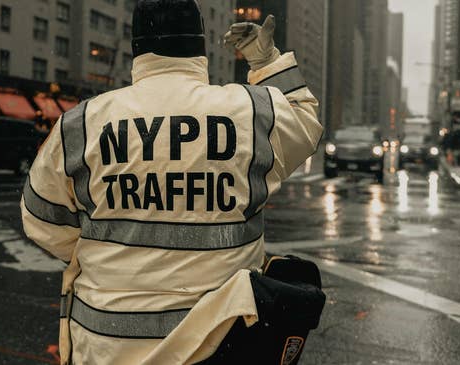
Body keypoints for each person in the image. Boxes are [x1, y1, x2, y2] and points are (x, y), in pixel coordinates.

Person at [21, 1, 323, 363]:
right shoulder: (251, 111)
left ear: (136, 48)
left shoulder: (81, 122)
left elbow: (41, 220)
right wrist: (266, 60)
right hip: (220, 342)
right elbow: (305, 124)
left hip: (105, 345)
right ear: (200, 46)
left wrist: (113, 251)